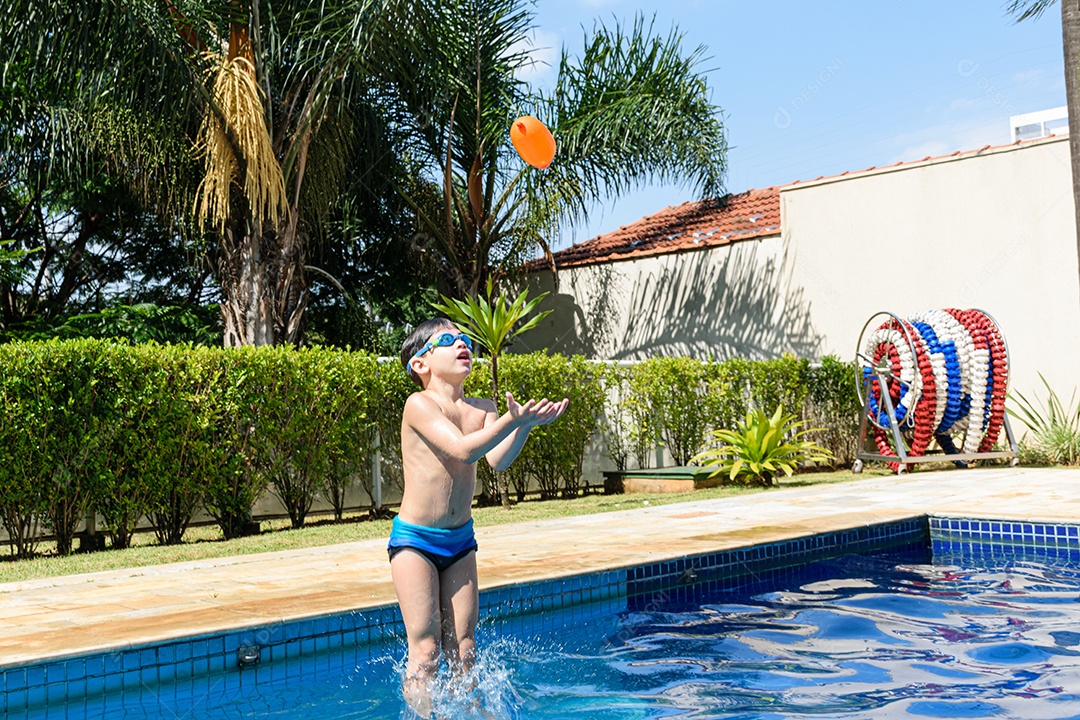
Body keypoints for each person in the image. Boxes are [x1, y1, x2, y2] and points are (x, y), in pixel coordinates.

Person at [390, 317, 569, 716]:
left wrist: (523, 427)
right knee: (426, 649)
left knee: (465, 648)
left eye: (465, 339)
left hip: (459, 541)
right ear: (421, 364)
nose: (462, 344)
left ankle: (472, 713)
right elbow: (462, 450)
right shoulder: (419, 405)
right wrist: (512, 420)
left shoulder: (482, 408)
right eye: (448, 340)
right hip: (415, 542)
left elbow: (497, 459)